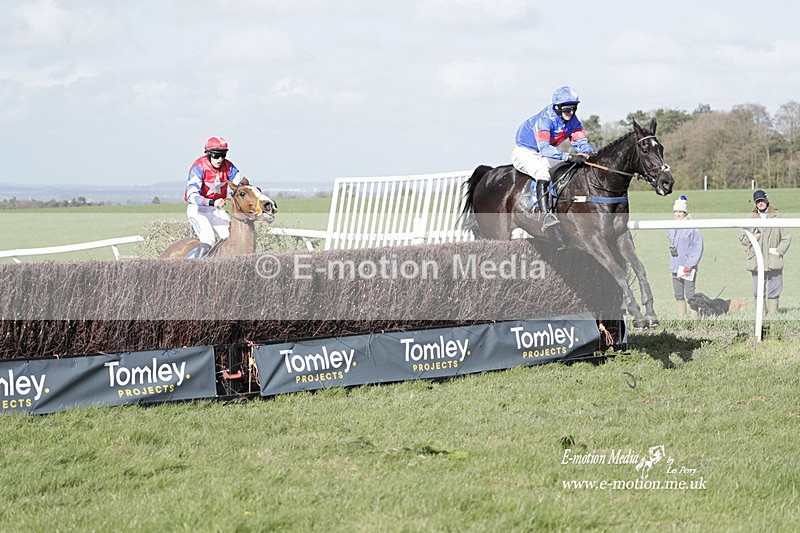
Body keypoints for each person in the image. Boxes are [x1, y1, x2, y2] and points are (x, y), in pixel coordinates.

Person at [512, 85, 595, 230]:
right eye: (567, 109)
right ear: (557, 108)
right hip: (525, 152)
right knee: (542, 173)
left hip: (545, 153)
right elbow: (545, 149)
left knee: (573, 167)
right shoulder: (545, 119)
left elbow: (580, 141)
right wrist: (569, 156)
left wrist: (590, 155)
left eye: (574, 108)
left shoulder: (572, 120)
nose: (571, 112)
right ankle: (545, 216)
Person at [184, 136, 248, 258]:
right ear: (208, 154)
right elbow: (191, 196)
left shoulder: (229, 166)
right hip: (198, 210)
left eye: (223, 155)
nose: (220, 159)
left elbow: (241, 185)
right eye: (216, 156)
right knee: (208, 240)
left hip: (216, 210)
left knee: (229, 237)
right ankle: (193, 268)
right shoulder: (198, 167)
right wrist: (212, 202)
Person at [739, 189, 791, 314]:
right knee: (758, 289)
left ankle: (773, 314)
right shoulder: (749, 218)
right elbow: (742, 237)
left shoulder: (778, 217)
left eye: (762, 200)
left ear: (767, 201)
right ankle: (760, 314)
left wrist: (779, 251)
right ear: (755, 203)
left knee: (775, 288)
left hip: (774, 259)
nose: (760, 203)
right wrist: (752, 238)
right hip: (756, 259)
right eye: (758, 201)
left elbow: (786, 237)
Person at [668, 195, 703, 319]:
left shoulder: (692, 227)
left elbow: (698, 247)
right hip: (675, 267)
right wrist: (673, 267)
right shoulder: (671, 227)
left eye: (680, 212)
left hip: (688, 267)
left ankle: (694, 319)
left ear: (685, 212)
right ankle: (681, 319)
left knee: (690, 294)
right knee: (678, 295)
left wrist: (690, 265)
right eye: (676, 211)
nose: (678, 214)